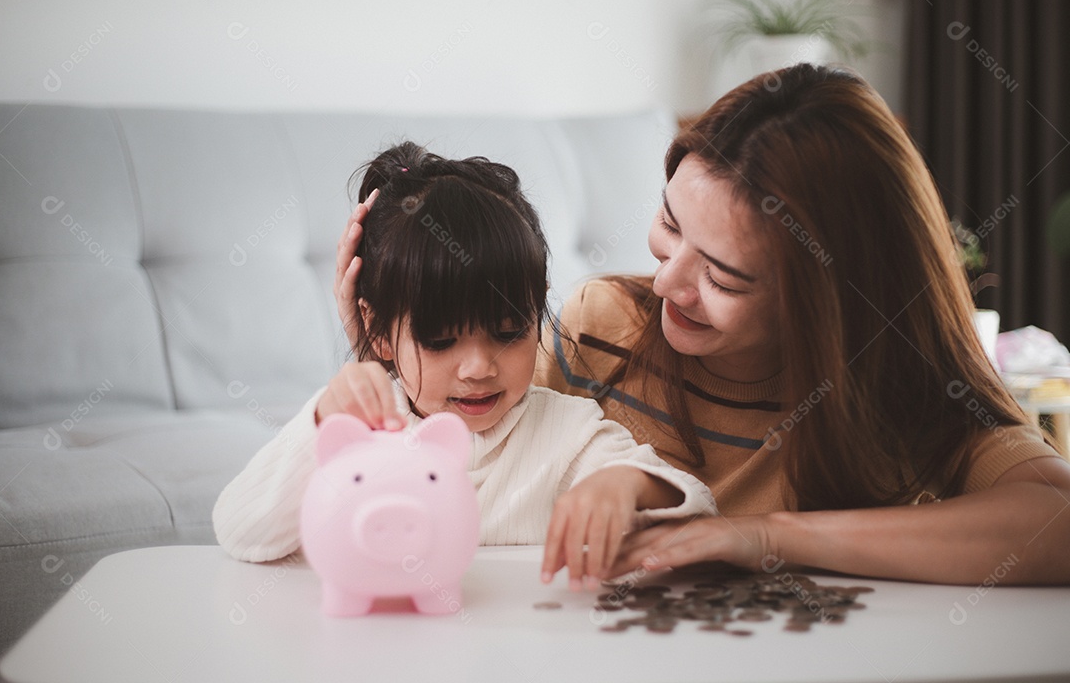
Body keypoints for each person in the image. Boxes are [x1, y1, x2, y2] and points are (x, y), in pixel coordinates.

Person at [335, 65, 1070, 585]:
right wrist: (380, 358)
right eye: (668, 225)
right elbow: (461, 458)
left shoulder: (903, 391)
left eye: (722, 277)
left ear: (827, 299)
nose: (666, 283)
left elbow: (1055, 521)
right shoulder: (601, 329)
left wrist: (766, 536)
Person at [213, 142, 716, 591]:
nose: (478, 368)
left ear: (537, 307)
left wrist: (628, 483)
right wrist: (325, 418)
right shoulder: (362, 427)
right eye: (439, 342)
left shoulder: (565, 434)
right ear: (377, 330)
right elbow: (241, 531)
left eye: (508, 332)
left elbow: (700, 513)